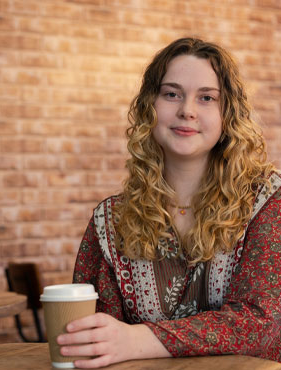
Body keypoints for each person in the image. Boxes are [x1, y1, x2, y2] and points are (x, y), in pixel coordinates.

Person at [56, 37, 281, 368]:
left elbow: (261, 325)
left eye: (206, 98)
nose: (186, 110)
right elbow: (97, 338)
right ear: (150, 106)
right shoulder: (111, 220)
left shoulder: (267, 202)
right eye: (171, 94)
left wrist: (137, 339)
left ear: (227, 114)